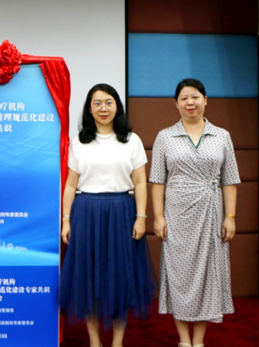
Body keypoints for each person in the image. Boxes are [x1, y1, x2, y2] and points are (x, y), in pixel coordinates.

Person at [59, 83, 157, 347]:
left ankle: (117, 342)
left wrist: (141, 217)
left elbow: (140, 182)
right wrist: (66, 220)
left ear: (117, 106)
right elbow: (70, 184)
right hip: (86, 212)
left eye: (109, 102)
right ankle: (94, 341)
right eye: (97, 103)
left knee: (120, 280)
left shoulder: (131, 140)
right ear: (89, 109)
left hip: (122, 212)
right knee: (87, 280)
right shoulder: (79, 141)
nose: (103, 108)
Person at [149, 78, 240, 347]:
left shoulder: (222, 135)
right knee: (179, 275)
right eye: (184, 98)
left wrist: (230, 216)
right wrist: (158, 216)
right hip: (176, 215)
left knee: (209, 275)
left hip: (212, 213)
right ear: (176, 104)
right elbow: (157, 181)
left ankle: (198, 340)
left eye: (195, 97)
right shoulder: (165, 136)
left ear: (205, 100)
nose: (190, 102)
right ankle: (183, 339)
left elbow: (230, 180)